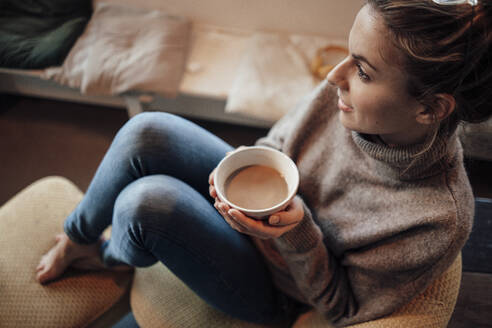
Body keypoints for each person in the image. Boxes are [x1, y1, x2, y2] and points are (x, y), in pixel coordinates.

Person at [36, 0, 491, 326]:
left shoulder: (435, 220)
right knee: (147, 130)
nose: (336, 76)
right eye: (348, 57)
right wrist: (246, 174)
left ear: (431, 109)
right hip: (258, 221)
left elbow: (342, 310)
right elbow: (276, 142)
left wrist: (296, 233)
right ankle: (78, 237)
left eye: (364, 71)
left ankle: (113, 256)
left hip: (277, 289)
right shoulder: (348, 99)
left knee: (146, 204)